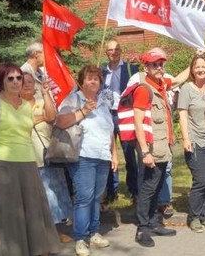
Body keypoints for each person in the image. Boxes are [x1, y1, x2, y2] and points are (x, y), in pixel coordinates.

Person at [0, 63, 59, 256]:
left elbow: (47, 118)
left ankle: (38, 250)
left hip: (29, 163)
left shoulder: (26, 106)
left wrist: (46, 93)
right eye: (10, 78)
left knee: (34, 211)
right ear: (2, 82)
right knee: (10, 213)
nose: (15, 82)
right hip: (4, 164)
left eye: (18, 78)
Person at [56, 65, 118, 255]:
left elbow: (109, 130)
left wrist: (113, 154)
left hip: (102, 156)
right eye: (89, 78)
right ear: (81, 82)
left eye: (96, 78)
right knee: (84, 198)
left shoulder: (102, 102)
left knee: (96, 198)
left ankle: (94, 232)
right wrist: (82, 111)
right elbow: (60, 122)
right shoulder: (74, 99)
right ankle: (80, 238)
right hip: (82, 156)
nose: (93, 81)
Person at [133, 48, 178, 247]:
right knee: (148, 189)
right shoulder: (144, 89)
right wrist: (144, 152)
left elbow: (180, 79)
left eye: (161, 64)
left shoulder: (160, 85)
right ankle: (142, 229)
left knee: (157, 187)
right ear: (146, 67)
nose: (159, 67)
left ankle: (153, 223)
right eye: (154, 64)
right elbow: (138, 122)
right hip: (151, 150)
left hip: (162, 148)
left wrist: (198, 56)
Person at [21, 73, 73, 243]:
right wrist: (37, 118)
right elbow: (22, 125)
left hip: (48, 156)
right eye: (23, 81)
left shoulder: (42, 102)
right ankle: (40, 234)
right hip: (28, 159)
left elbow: (51, 117)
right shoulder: (16, 105)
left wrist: (45, 94)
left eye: (30, 82)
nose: (27, 84)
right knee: (38, 198)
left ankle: (55, 232)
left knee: (55, 194)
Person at [178, 53, 205, 233]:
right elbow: (182, 114)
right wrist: (186, 138)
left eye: (204, 66)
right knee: (201, 180)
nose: (201, 70)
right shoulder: (187, 89)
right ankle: (194, 217)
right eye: (197, 67)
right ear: (192, 70)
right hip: (196, 141)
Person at [102, 39, 140, 206]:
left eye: (116, 49)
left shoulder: (131, 69)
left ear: (121, 50)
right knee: (108, 154)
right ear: (106, 53)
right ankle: (111, 191)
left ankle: (134, 190)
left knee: (129, 154)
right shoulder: (101, 71)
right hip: (106, 115)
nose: (113, 52)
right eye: (110, 50)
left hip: (125, 115)